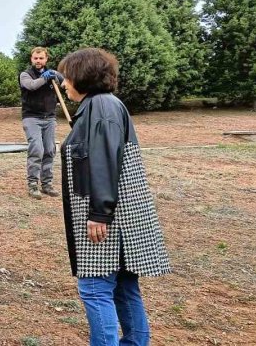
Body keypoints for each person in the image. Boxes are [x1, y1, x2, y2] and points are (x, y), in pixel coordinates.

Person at [57, 48, 170, 346]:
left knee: (95, 288)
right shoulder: (100, 107)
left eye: (67, 77)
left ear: (82, 76)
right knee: (122, 287)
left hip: (110, 218)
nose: (64, 84)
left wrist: (100, 213)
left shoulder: (102, 108)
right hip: (112, 214)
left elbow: (105, 160)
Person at [19, 47, 64, 199]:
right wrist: (45, 78)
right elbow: (31, 86)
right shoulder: (25, 75)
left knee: (50, 150)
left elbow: (64, 83)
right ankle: (32, 184)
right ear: (31, 59)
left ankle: (47, 184)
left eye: (41, 58)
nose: (38, 61)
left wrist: (57, 76)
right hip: (32, 118)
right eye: (35, 58)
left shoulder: (52, 75)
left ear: (46, 59)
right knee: (37, 149)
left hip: (49, 118)